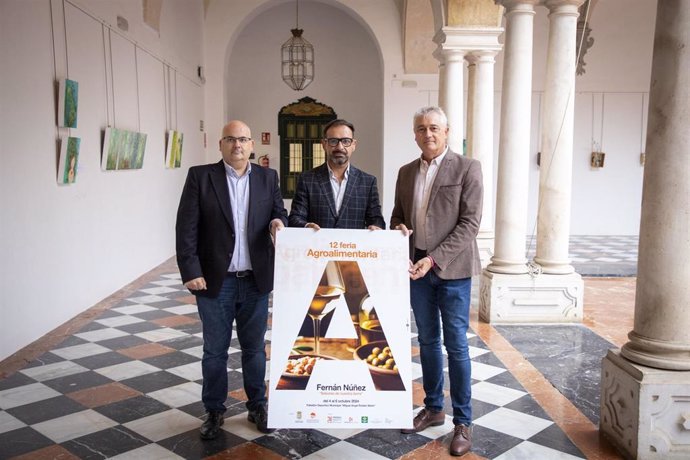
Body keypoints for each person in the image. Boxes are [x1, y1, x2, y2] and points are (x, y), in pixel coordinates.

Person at [175, 120, 287, 439]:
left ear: (252, 145)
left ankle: (257, 406)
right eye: (230, 139)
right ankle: (213, 410)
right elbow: (186, 228)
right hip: (215, 280)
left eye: (242, 139)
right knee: (215, 351)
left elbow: (279, 211)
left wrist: (278, 222)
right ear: (220, 144)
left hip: (255, 280)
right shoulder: (201, 177)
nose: (237, 145)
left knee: (254, 349)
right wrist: (191, 270)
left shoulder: (268, 177)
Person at [391, 106, 483, 457]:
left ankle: (463, 420)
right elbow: (398, 215)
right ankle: (433, 408)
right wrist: (399, 231)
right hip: (417, 270)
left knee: (456, 345)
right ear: (414, 134)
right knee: (427, 341)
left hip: (451, 271)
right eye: (421, 128)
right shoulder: (405, 172)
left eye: (434, 128)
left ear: (446, 132)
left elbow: (470, 223)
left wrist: (434, 259)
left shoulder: (467, 167)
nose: (427, 134)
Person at [288, 119, 385, 230]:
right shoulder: (307, 179)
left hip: (353, 246)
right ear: (324, 144)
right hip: (317, 246)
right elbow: (295, 218)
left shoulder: (368, 182)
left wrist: (376, 227)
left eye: (346, 141)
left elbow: (377, 219)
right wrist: (306, 226)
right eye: (333, 141)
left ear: (353, 145)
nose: (340, 147)